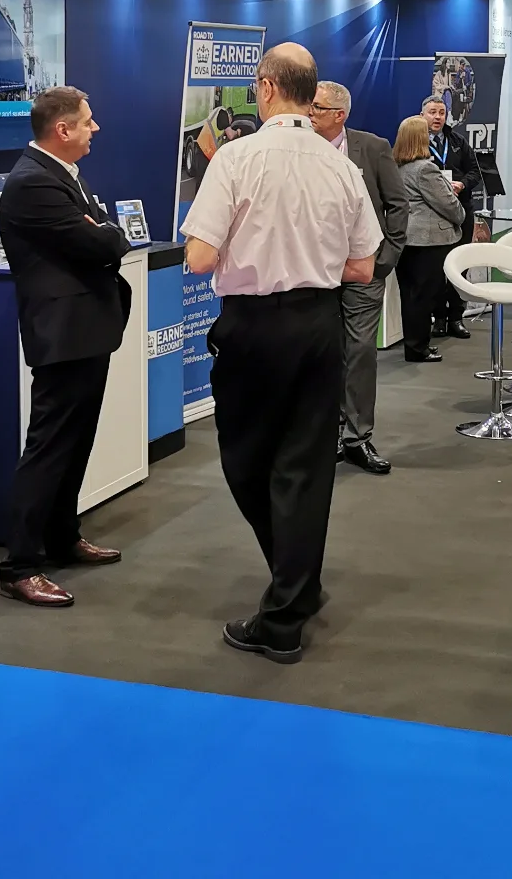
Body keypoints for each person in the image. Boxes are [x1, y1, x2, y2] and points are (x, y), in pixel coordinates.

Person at [182, 43, 382, 664]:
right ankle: (298, 585)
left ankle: (284, 614)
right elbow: (363, 266)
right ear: (311, 93)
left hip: (253, 328)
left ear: (266, 88)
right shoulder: (340, 166)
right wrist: (307, 260)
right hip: (319, 325)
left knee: (246, 462)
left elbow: (199, 258)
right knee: (305, 465)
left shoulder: (236, 158)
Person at [0, 86, 133, 607]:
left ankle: (61, 537)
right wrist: (105, 235)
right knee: (50, 447)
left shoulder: (61, 175)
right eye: (87, 121)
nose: (95, 128)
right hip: (63, 333)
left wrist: (103, 233)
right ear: (63, 129)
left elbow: (100, 233)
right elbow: (100, 241)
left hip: (86, 330)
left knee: (76, 441)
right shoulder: (33, 183)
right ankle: (20, 566)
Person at [309, 80, 409, 474]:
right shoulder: (300, 149)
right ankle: (330, 431)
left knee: (360, 351)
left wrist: (386, 257)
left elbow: (397, 203)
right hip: (315, 271)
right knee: (323, 350)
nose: (309, 113)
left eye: (317, 107)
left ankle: (357, 437)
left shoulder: (372, 147)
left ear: (339, 115)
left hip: (363, 270)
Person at [392, 115, 465, 364]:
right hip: (428, 243)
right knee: (423, 298)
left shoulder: (396, 167)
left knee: (411, 296)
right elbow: (449, 206)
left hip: (405, 240)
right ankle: (418, 348)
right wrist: (460, 212)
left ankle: (415, 345)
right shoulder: (425, 169)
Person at [422, 95, 481, 339]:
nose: (437, 117)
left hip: (461, 209)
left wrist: (462, 184)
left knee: (459, 266)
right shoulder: (415, 142)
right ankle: (438, 318)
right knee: (436, 268)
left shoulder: (457, 141)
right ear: (423, 115)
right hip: (432, 212)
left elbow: (475, 172)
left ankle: (456, 317)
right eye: (432, 112)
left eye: (442, 113)